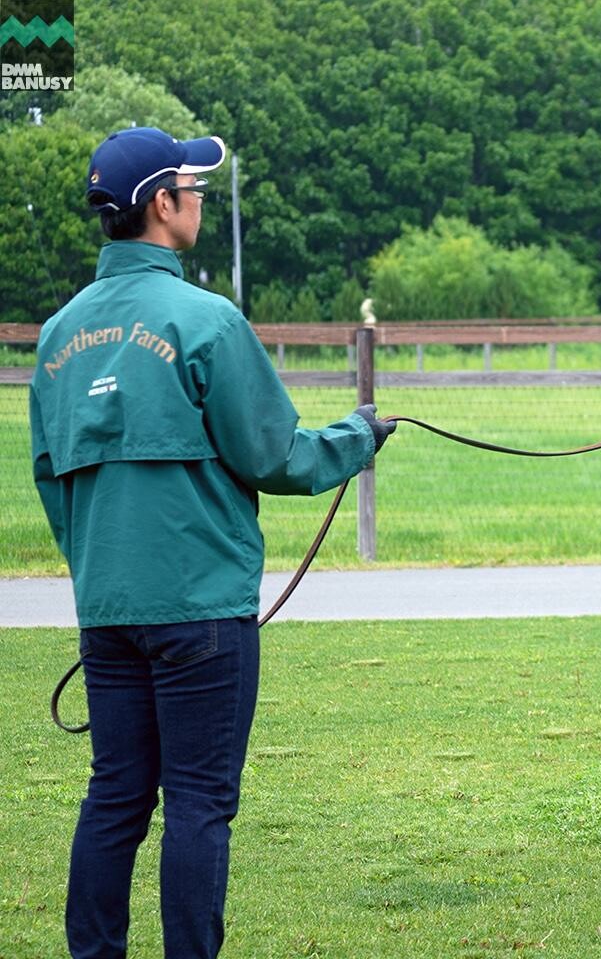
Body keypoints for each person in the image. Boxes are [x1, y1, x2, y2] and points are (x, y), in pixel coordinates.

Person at [29, 126, 396, 959]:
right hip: (201, 613)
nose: (199, 199)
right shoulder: (208, 322)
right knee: (198, 802)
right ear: (162, 205)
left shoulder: (56, 339)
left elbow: (54, 482)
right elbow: (276, 456)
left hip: (108, 611)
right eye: (191, 188)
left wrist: (99, 565)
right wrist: (360, 436)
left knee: (115, 796)